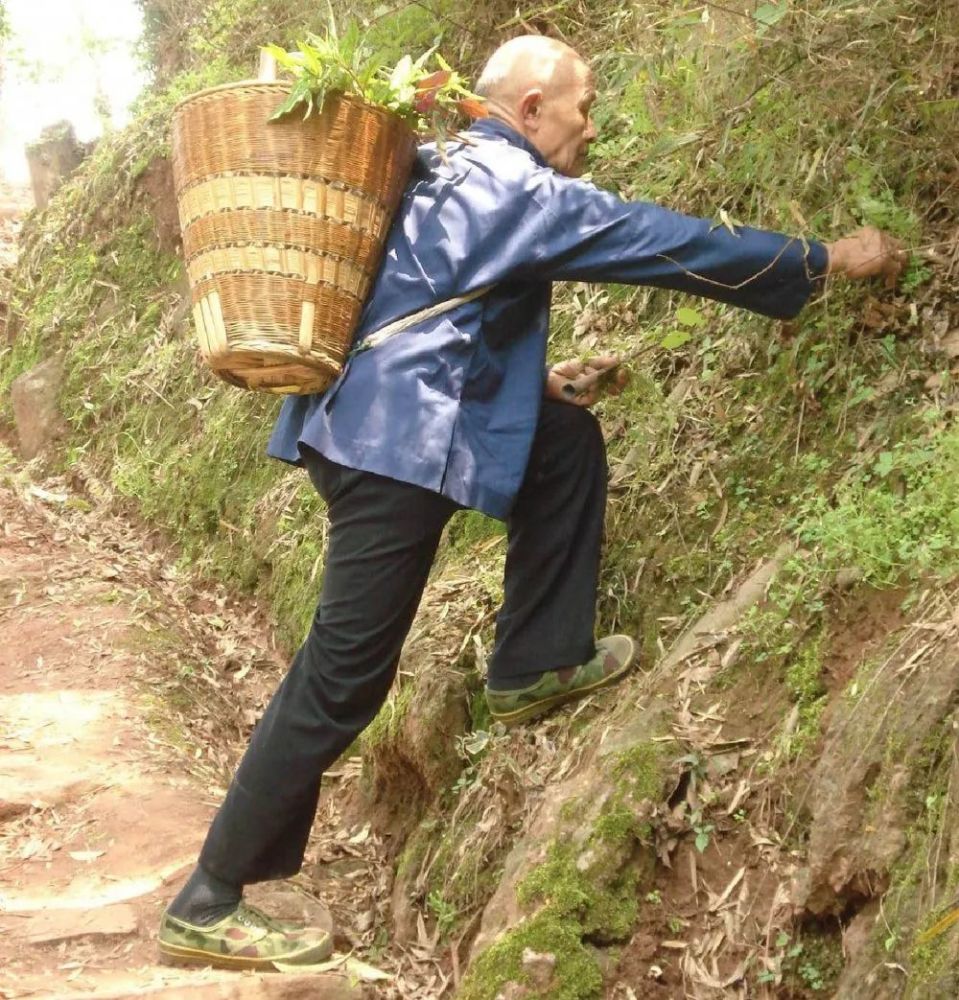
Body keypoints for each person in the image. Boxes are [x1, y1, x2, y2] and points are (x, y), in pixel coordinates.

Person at [158, 35, 905, 969]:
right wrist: (821, 257)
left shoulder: (446, 170)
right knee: (344, 675)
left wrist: (533, 387)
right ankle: (211, 895)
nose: (592, 127)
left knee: (561, 442)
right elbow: (664, 242)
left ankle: (533, 665)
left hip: (375, 421)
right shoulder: (515, 189)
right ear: (531, 108)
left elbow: (434, 304)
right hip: (389, 451)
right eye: (582, 107)